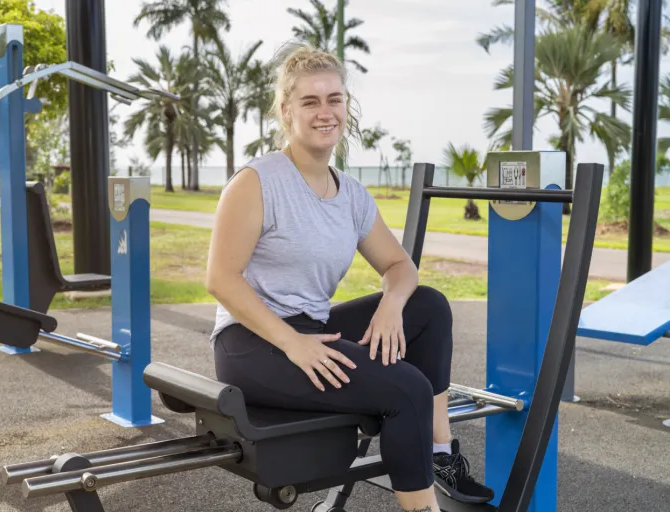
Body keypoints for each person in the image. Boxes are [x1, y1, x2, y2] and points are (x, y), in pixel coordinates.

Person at [205, 44, 494, 512]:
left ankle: (439, 453)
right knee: (407, 392)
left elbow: (401, 268)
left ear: (346, 106)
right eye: (310, 101)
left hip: (311, 329)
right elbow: (221, 279)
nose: (325, 112)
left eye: (334, 99)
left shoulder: (351, 194)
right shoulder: (257, 181)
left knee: (429, 306)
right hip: (253, 345)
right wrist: (292, 343)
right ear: (286, 110)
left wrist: (390, 307)